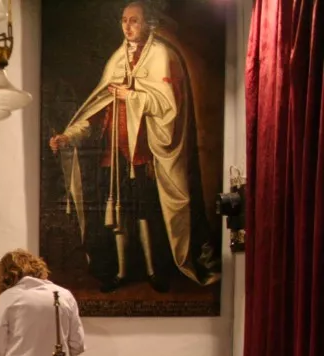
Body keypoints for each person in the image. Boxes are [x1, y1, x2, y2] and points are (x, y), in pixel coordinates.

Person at [49, 1, 220, 293]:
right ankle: (120, 271)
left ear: (148, 24)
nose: (128, 27)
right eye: (124, 20)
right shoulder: (117, 59)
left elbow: (169, 107)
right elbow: (96, 111)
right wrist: (69, 136)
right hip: (113, 154)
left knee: (143, 213)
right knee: (117, 215)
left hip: (144, 152)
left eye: (135, 21)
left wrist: (133, 96)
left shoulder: (161, 56)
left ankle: (154, 270)